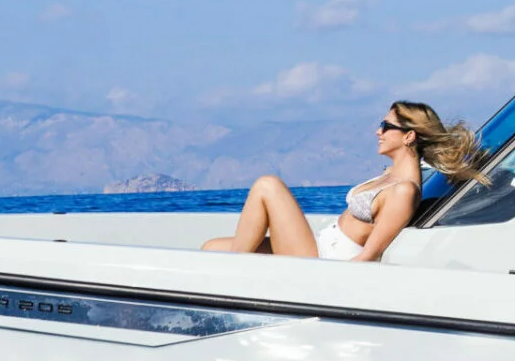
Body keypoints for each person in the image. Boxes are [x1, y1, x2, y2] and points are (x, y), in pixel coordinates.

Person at [202, 101, 486, 260]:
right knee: (211, 248)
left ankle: (235, 275)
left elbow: (371, 255)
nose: (378, 132)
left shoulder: (404, 191)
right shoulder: (390, 176)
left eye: (386, 126)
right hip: (317, 246)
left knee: (268, 185)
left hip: (322, 260)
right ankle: (235, 272)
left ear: (409, 136)